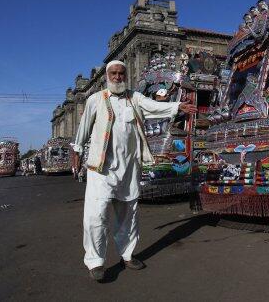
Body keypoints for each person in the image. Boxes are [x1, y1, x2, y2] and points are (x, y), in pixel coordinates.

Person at [72, 60, 196, 282]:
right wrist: (77, 151)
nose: (118, 77)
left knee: (128, 213)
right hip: (101, 168)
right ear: (107, 76)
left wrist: (177, 107)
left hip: (129, 166)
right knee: (96, 215)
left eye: (121, 73)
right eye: (114, 73)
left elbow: (154, 106)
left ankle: (127, 255)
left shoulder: (134, 98)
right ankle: (95, 262)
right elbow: (83, 129)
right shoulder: (95, 100)